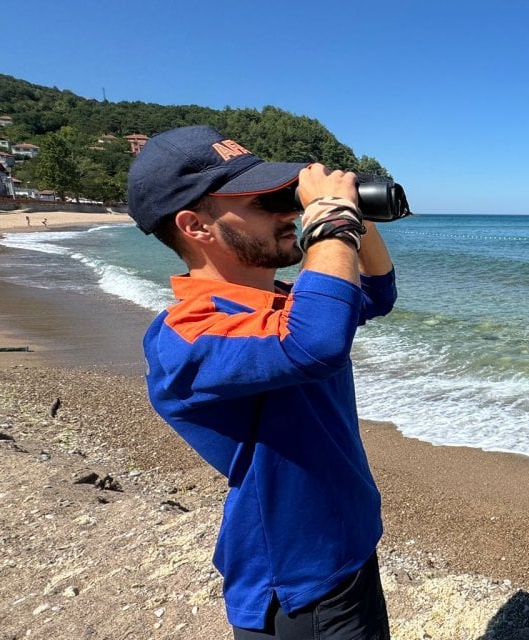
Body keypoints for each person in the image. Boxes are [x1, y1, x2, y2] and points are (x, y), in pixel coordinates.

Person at [126, 125, 397, 639]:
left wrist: (352, 213)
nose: (289, 212)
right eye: (262, 202)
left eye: (285, 197)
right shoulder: (187, 337)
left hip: (345, 546)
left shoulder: (278, 302)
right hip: (300, 585)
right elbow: (314, 343)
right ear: (195, 226)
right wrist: (331, 220)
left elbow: (376, 294)